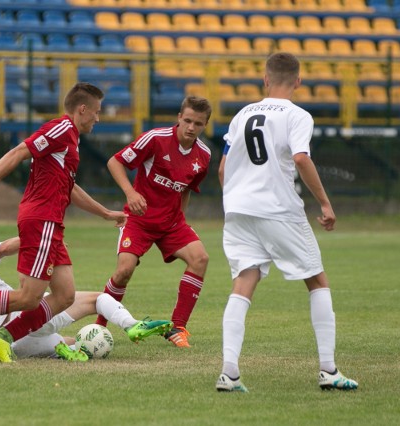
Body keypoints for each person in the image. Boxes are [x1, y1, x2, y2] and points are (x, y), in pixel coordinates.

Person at [0, 83, 128, 362]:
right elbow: (18, 152)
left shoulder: (71, 140)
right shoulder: (61, 129)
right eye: (96, 112)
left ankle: (2, 336)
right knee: (29, 297)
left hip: (52, 222)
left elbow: (70, 188)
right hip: (41, 218)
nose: (98, 119)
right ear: (82, 109)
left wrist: (105, 213)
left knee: (65, 295)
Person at [216, 52, 358, 392]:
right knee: (317, 281)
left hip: (237, 210)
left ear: (265, 80)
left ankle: (229, 373)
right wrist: (324, 203)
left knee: (244, 282)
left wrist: (237, 197)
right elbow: (300, 157)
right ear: (298, 81)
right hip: (278, 209)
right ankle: (328, 370)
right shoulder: (298, 115)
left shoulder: (242, 114)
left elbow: (222, 169)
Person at [0, 225, 174, 361]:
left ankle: (66, 348)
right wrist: (48, 240)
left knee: (69, 342)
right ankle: (132, 325)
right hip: (15, 324)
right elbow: (12, 245)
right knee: (98, 299)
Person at [93, 96, 213, 348]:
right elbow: (114, 162)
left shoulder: (203, 155)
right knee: (124, 271)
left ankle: (178, 327)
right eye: (188, 120)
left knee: (200, 258)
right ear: (179, 117)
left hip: (172, 223)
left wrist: (181, 219)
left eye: (198, 124)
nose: (191, 127)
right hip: (139, 220)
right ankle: (98, 329)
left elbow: (187, 189)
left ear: (205, 126)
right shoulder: (155, 139)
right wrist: (131, 193)